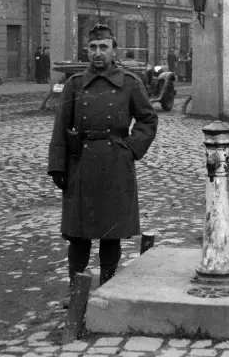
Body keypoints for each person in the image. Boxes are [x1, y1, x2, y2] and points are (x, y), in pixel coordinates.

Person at [47, 24, 158, 307]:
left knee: (111, 235)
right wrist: (58, 167)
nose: (98, 53)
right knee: (78, 236)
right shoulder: (74, 84)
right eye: (93, 47)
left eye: (104, 47)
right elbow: (61, 126)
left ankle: (107, 291)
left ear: (114, 50)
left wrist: (131, 148)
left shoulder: (130, 83)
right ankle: (76, 294)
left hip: (115, 164)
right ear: (87, 50)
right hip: (80, 166)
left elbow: (148, 119)